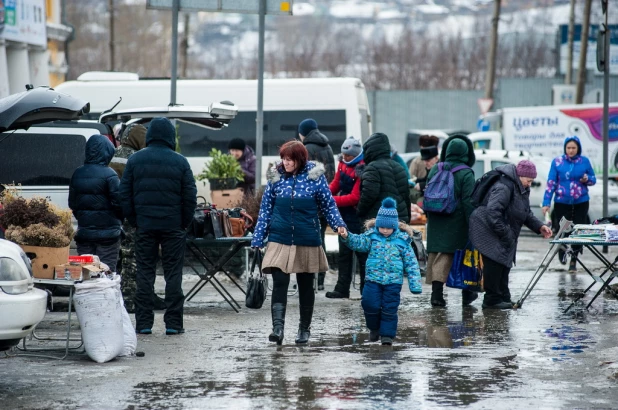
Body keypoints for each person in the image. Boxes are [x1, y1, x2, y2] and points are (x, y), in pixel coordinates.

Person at [251, 140, 346, 345]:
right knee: (280, 283)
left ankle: (304, 329)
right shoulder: (275, 177)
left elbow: (328, 204)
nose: (285, 163)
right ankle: (278, 329)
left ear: (300, 159)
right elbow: (266, 209)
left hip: (306, 237)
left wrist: (338, 224)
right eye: (284, 159)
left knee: (305, 285)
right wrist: (258, 238)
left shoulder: (315, 177)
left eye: (290, 159)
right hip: (279, 237)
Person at [120, 117, 197, 336]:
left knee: (145, 273)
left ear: (150, 135)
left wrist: (135, 221)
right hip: (173, 226)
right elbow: (190, 196)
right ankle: (173, 323)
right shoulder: (180, 161)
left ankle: (144, 323)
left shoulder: (135, 160)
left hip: (144, 226)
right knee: (173, 274)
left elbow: (124, 194)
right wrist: (183, 223)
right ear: (170, 137)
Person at [469, 161, 552, 309]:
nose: (530, 184)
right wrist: (506, 233)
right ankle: (491, 299)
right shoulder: (504, 187)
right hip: (486, 227)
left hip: (500, 226)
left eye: (532, 181)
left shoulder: (521, 188)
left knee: (503, 261)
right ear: (520, 176)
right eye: (528, 180)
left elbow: (525, 212)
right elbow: (493, 212)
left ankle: (503, 297)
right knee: (495, 260)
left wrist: (540, 226)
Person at [339, 197, 422, 345]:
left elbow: (411, 263)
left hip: (393, 282)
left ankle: (387, 336)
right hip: (373, 279)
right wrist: (347, 236)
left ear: (394, 226)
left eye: (388, 228)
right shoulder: (372, 236)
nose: (384, 230)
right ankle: (374, 328)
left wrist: (415, 284)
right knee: (370, 304)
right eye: (381, 227)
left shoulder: (402, 241)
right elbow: (358, 242)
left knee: (389, 308)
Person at [110, 123, 165, 313]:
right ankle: (132, 299)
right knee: (133, 258)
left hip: (114, 215)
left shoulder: (114, 153)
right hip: (132, 216)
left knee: (123, 258)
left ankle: (138, 296)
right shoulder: (134, 158)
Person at [425, 135, 476, 307]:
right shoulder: (466, 172)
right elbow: (469, 201)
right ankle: (467, 294)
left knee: (438, 256)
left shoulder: (435, 169)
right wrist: (473, 223)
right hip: (457, 221)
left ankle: (436, 295)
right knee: (465, 256)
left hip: (436, 219)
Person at [356, 132, 411, 294]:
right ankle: (391, 292)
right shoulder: (399, 167)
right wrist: (406, 220)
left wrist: (359, 212)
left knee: (372, 259)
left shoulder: (372, 168)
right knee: (392, 261)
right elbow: (405, 196)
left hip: (377, 222)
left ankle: (368, 292)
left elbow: (368, 195)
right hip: (398, 222)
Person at [542, 136, 596, 273]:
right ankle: (563, 249)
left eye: (573, 148)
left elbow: (593, 179)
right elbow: (551, 183)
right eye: (568, 148)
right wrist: (546, 202)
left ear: (578, 149)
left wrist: (587, 179)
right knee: (563, 230)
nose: (571, 150)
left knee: (577, 231)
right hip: (562, 202)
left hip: (581, 202)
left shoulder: (584, 162)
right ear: (565, 148)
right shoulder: (558, 162)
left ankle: (574, 260)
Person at [69, 134, 123, 270]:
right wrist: (118, 220)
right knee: (107, 273)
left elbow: (73, 204)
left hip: (85, 234)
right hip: (108, 235)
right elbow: (119, 204)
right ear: (107, 152)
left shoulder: (77, 173)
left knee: (86, 273)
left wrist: (85, 219)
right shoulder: (110, 174)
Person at [298, 118, 336, 291]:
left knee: (307, 240)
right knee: (321, 240)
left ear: (303, 132)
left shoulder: (306, 149)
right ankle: (320, 278)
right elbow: (332, 174)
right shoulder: (327, 147)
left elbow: (303, 177)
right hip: (325, 200)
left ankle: (309, 278)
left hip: (310, 203)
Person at [326, 136, 365, 299]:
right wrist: (324, 194)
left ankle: (366, 289)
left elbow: (355, 197)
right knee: (344, 253)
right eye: (343, 155)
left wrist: (331, 200)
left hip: (357, 216)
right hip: (344, 216)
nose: (344, 157)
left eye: (348, 155)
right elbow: (335, 184)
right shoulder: (342, 164)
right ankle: (342, 288)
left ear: (355, 155)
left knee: (362, 254)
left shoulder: (362, 168)